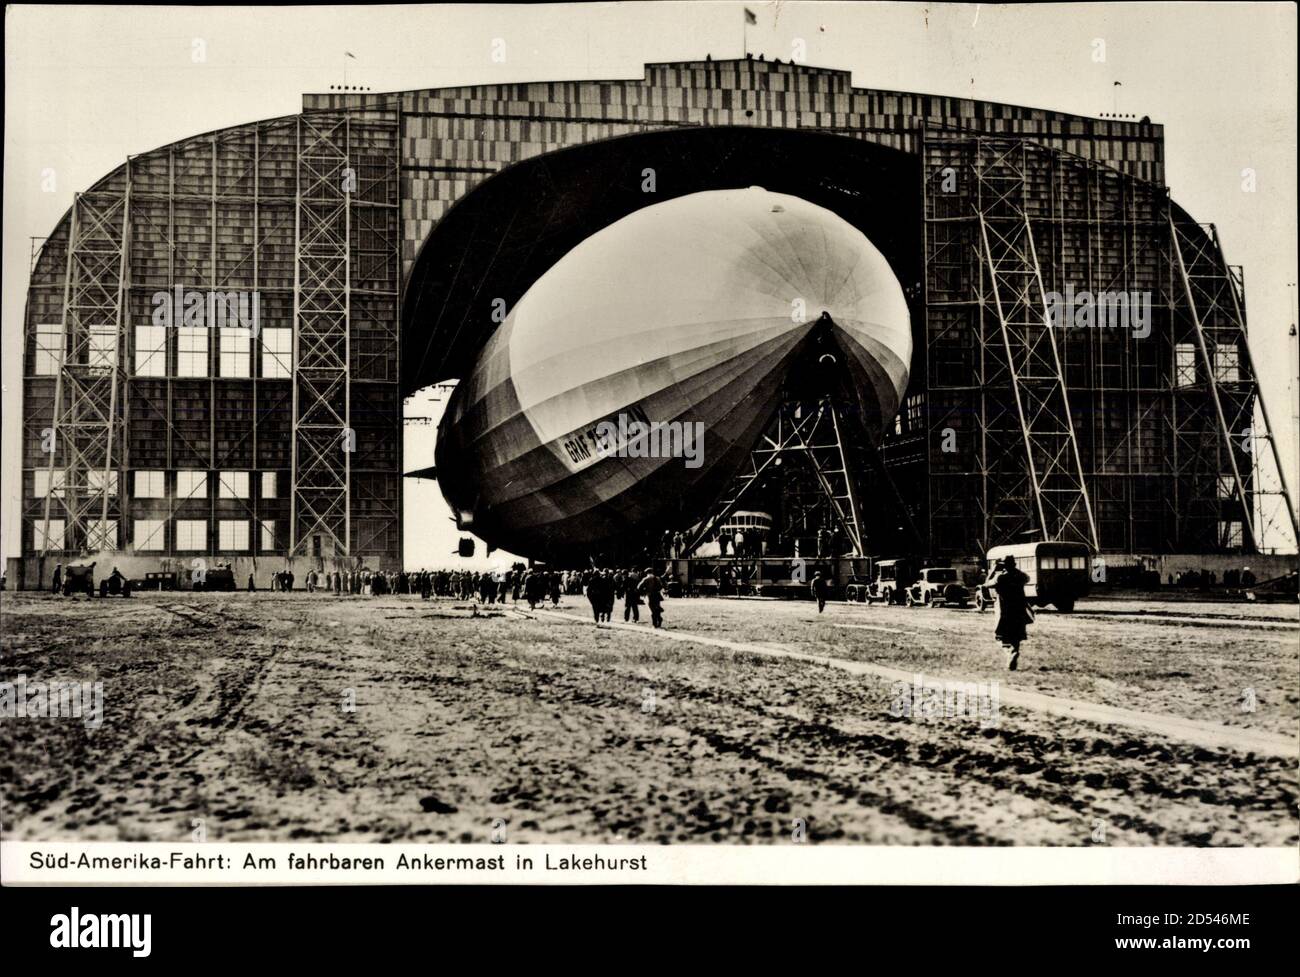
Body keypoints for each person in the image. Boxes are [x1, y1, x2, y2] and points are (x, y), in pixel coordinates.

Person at [990, 555, 1031, 670]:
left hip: (1005, 610)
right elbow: (1027, 578)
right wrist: (1014, 569)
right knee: (1016, 636)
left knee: (1000, 637)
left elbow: (986, 583)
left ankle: (1010, 653)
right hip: (1019, 610)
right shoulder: (1020, 576)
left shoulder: (1000, 578)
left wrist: (993, 570)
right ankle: (1013, 656)